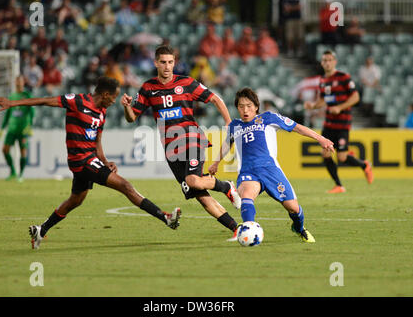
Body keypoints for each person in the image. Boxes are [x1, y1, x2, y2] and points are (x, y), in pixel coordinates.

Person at [0, 76, 181, 249]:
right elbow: (44, 101)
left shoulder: (102, 112)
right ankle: (166, 218)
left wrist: (105, 162)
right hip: (81, 161)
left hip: (89, 160)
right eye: (113, 97)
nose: (114, 101)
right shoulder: (77, 101)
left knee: (76, 200)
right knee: (125, 186)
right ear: (105, 94)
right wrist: (14, 103)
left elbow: (97, 141)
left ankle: (41, 229)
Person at [121, 45, 241, 240]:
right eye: (163, 62)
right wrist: (127, 107)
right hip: (171, 148)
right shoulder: (148, 88)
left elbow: (215, 99)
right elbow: (131, 118)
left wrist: (228, 122)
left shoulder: (186, 83)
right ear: (156, 63)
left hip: (192, 138)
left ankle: (226, 186)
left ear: (174, 63)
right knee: (200, 195)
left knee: (192, 180)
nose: (167, 66)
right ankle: (236, 229)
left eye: (170, 62)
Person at [209, 87, 335, 242]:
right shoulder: (235, 126)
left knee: (293, 208)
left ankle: (299, 228)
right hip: (248, 171)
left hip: (270, 171)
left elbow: (297, 127)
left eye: (248, 106)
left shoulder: (269, 118)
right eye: (241, 107)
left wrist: (320, 139)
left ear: (256, 107)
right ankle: (248, 231)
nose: (245, 110)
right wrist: (216, 163)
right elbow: (227, 143)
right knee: (246, 196)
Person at [304, 50, 373, 193]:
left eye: (330, 60)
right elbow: (323, 100)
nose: (327, 63)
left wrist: (340, 107)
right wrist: (313, 105)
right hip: (328, 124)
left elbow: (355, 97)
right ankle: (339, 185)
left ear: (335, 61)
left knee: (342, 157)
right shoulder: (323, 80)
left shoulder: (344, 77)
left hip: (342, 123)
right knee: (326, 154)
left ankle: (364, 165)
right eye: (325, 60)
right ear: (322, 63)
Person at [0, 75, 34, 181]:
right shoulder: (12, 96)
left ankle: (21, 175)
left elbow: (32, 112)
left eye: (20, 81)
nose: (18, 83)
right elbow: (8, 113)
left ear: (23, 83)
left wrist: (29, 126)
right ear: (15, 82)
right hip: (12, 129)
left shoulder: (27, 95)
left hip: (23, 129)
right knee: (5, 150)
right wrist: (2, 128)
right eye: (17, 81)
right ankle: (13, 171)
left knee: (23, 151)